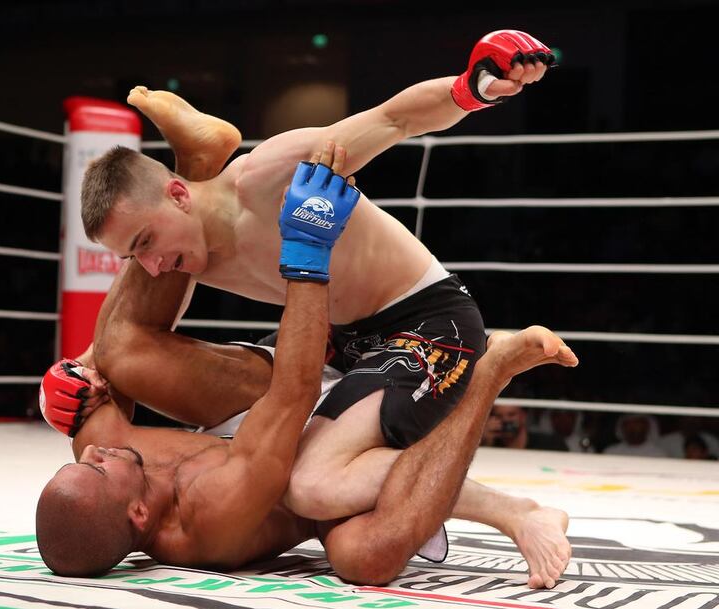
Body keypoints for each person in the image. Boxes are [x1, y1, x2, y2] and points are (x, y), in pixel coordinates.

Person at [47, 30, 557, 520]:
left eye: (145, 244)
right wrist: (70, 378)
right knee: (201, 433)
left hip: (424, 325)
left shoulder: (270, 176)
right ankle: (196, 155)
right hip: (339, 342)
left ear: (179, 195)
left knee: (310, 484)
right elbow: (124, 345)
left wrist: (473, 87)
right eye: (133, 259)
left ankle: (514, 510)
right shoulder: (185, 252)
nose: (153, 267)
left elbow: (395, 120)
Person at [37, 157, 578, 583]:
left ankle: (195, 159)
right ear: (136, 514)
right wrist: (307, 253)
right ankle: (490, 380)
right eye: (99, 468)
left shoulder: (104, 461)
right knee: (360, 553)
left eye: (81, 460)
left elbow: (101, 366)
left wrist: (68, 379)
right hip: (302, 431)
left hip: (293, 392)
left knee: (123, 354)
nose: (95, 453)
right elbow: (293, 395)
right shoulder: (211, 518)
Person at [481, 404, 569, 451]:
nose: (506, 420)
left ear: (523, 416)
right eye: (499, 416)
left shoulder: (551, 444)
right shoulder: (490, 443)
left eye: (511, 415)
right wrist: (486, 441)